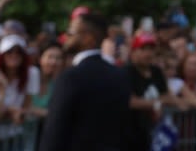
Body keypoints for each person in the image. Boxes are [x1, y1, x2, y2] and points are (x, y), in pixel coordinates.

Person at [37, 12, 130, 151]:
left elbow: (54, 131)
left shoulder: (71, 77)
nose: (66, 36)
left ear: (88, 38)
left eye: (71, 32)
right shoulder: (119, 75)